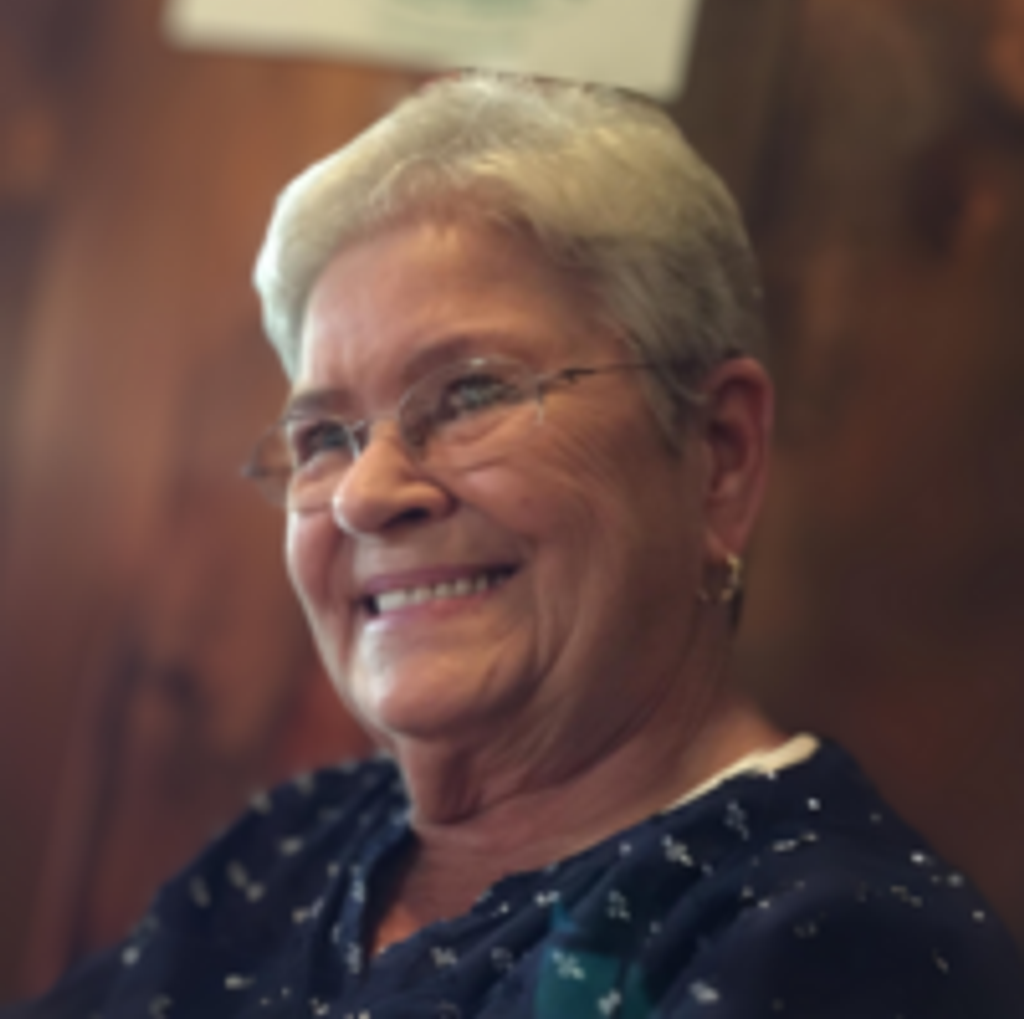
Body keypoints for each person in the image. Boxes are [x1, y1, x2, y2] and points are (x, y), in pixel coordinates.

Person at [7, 72, 1023, 1019]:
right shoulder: (290, 842)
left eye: (471, 394)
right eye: (324, 438)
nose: (366, 494)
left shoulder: (832, 950)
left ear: (718, 456)